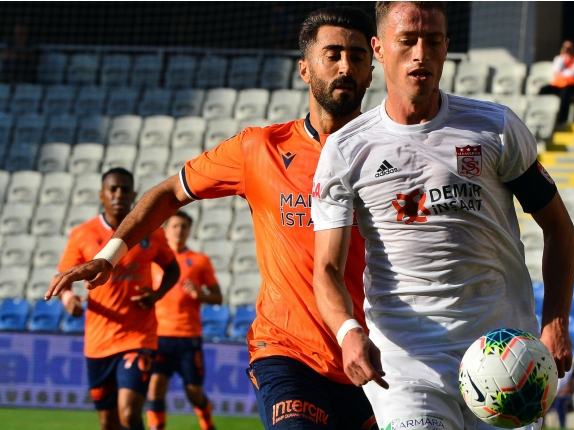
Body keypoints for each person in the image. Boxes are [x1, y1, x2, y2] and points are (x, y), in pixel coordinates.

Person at [46, 6, 380, 430]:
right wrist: (110, 255)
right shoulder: (259, 148)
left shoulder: (393, 156)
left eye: (356, 56)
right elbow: (168, 193)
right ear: (305, 69)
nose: (345, 66)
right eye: (332, 54)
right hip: (286, 353)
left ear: (372, 69)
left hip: (372, 355)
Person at [311, 2, 574, 430]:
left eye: (433, 41)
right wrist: (347, 331)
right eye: (408, 41)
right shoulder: (346, 150)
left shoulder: (496, 128)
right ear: (379, 49)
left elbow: (560, 230)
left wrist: (556, 323)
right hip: (406, 359)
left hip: (502, 352)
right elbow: (325, 267)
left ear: (447, 47)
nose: (421, 54)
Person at [55, 167, 179, 430]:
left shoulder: (151, 232)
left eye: (125, 188)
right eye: (113, 188)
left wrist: (157, 294)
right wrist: (69, 300)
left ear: (134, 194)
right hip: (99, 342)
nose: (119, 193)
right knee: (109, 422)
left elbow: (172, 268)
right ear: (102, 194)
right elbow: (63, 277)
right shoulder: (82, 234)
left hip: (139, 336)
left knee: (128, 413)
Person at [146, 211, 222, 430]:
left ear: (189, 231)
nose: (179, 231)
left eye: (184, 227)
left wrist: (201, 295)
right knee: (155, 387)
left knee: (194, 393)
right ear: (166, 230)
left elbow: (218, 296)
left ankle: (207, 422)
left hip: (188, 338)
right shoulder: (153, 262)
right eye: (175, 226)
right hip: (159, 336)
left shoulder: (199, 261)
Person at [538, 40, 574, 126]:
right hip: (559, 85)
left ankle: (560, 120)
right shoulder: (559, 58)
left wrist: (563, 73)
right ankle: (540, 115)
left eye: (570, 48)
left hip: (572, 85)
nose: (567, 50)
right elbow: (557, 71)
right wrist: (564, 59)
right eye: (565, 47)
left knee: (564, 95)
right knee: (543, 90)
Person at [551, 364, 574, 428]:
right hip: (551, 395)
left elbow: (571, 387)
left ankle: (562, 426)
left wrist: (558, 394)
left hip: (564, 397)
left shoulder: (571, 369)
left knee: (559, 402)